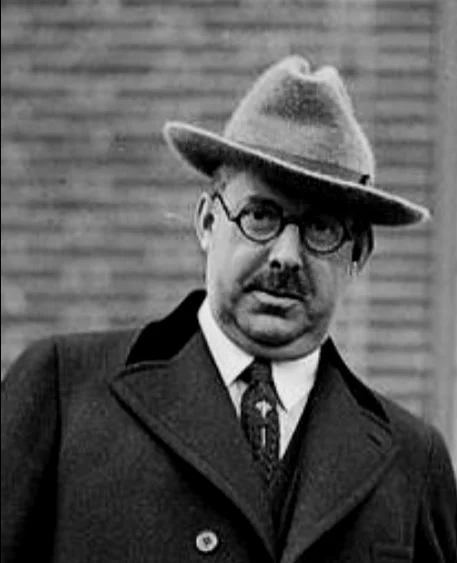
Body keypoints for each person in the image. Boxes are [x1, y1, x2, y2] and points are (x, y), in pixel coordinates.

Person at [1, 55, 456, 563]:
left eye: (322, 228)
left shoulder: (414, 462)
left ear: (359, 254)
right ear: (206, 222)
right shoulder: (63, 392)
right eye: (260, 215)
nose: (286, 256)